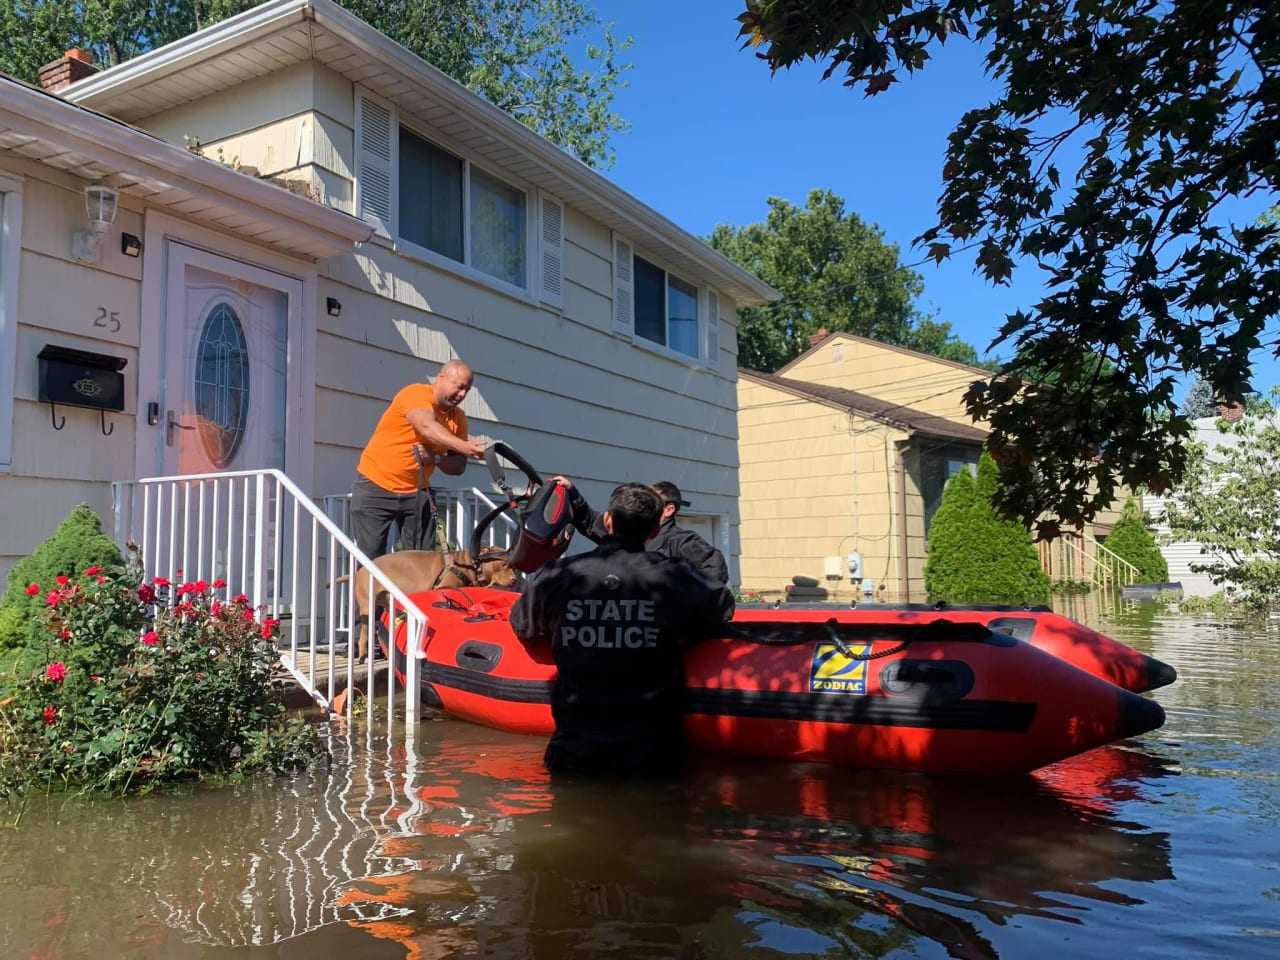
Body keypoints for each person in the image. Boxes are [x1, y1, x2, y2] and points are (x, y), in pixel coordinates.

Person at [510, 483, 734, 777]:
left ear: (608, 521)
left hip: (576, 753)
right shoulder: (678, 578)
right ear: (654, 531)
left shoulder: (559, 576)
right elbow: (722, 609)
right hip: (653, 755)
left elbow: (523, 626)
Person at [350, 359, 487, 560]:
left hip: (417, 493)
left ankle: (410, 594)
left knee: (419, 562)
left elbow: (458, 467)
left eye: (467, 390)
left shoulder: (458, 418)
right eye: (459, 387)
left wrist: (436, 458)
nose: (462, 395)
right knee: (372, 562)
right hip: (376, 487)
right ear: (441, 378)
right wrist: (466, 447)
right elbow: (426, 426)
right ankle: (371, 592)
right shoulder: (415, 394)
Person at [559, 478, 729, 586]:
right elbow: (590, 521)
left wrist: (684, 602)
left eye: (650, 499)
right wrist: (572, 493)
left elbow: (715, 569)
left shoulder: (683, 541)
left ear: (668, 510)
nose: (642, 502)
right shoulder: (624, 530)